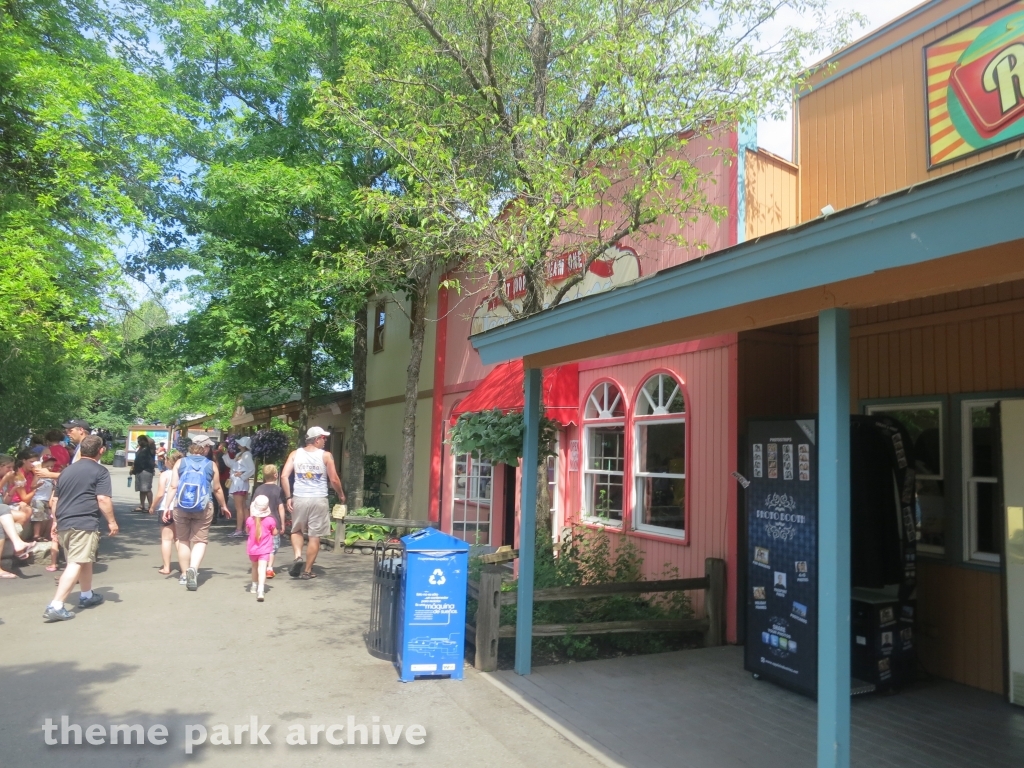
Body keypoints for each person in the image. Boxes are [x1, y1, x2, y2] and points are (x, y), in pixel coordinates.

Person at [43, 435, 118, 622]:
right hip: (84, 522)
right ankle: (56, 605)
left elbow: (55, 500)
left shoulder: (66, 471)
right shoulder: (100, 471)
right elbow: (103, 499)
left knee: (85, 560)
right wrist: (112, 521)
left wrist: (55, 522)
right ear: (101, 450)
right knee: (76, 562)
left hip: (65, 522)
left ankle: (86, 594)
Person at [166, 435, 232, 591]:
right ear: (206, 448)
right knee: (200, 541)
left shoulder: (180, 463)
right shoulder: (211, 465)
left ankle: (183, 574)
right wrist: (223, 505)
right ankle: (193, 569)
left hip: (181, 506)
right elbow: (216, 489)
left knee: (183, 540)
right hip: (203, 505)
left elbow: (173, 487)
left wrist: (167, 506)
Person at [281, 426, 345, 580]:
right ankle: (307, 571)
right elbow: (334, 479)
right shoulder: (326, 456)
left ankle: (298, 557)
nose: (325, 441)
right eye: (324, 438)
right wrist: (341, 494)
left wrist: (289, 497)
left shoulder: (295, 454)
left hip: (299, 497)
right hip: (319, 499)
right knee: (314, 535)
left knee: (296, 530)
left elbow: (284, 476)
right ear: (317, 439)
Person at [150, 449, 182, 576]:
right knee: (180, 539)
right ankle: (184, 566)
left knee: (166, 539)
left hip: (166, 508)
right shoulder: (183, 473)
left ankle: (166, 567)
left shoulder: (165, 474)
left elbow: (160, 494)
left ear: (169, 461)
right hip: (180, 508)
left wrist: (152, 506)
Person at [252, 465, 286, 579]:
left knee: (262, 544)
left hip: (259, 522)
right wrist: (283, 523)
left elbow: (252, 506)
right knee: (272, 547)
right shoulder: (278, 490)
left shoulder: (258, 489)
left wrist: (251, 520)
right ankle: (269, 568)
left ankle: (261, 565)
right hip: (274, 522)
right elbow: (280, 508)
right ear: (276, 475)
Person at [246, 495, 277, 602]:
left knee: (254, 568)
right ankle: (261, 589)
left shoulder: (250, 520)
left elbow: (247, 531)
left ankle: (254, 586)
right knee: (262, 569)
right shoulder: (270, 520)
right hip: (265, 549)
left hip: (253, 549)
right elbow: (274, 532)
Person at [226, 436, 255, 538]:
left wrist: (242, 475)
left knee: (240, 508)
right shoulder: (241, 454)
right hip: (239, 482)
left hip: (239, 483)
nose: (238, 444)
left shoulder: (246, 454)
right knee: (243, 507)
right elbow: (232, 465)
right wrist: (225, 455)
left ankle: (239, 529)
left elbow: (252, 469)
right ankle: (247, 529)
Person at [131, 435, 156, 513]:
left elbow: (152, 441)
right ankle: (142, 506)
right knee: (141, 489)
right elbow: (137, 459)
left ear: (145, 441)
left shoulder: (150, 448)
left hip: (146, 470)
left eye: (141, 440)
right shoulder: (140, 448)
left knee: (147, 489)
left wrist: (145, 437)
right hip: (139, 470)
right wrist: (133, 468)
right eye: (138, 441)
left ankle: (151, 506)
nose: (139, 442)